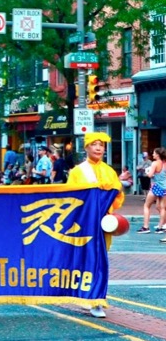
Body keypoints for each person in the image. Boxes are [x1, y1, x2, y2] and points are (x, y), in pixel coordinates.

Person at [67, 132, 124, 318]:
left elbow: (118, 196)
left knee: (100, 260)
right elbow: (69, 197)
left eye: (101, 145)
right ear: (87, 147)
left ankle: (96, 298)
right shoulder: (78, 171)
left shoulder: (110, 171)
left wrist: (109, 210)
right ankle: (91, 298)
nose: (98, 148)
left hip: (102, 224)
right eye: (94, 144)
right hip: (83, 225)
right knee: (85, 260)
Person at [137, 148, 166, 234]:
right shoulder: (165, 163)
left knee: (147, 205)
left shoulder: (154, 163)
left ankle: (146, 227)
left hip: (156, 186)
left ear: (157, 154)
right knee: (162, 207)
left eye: (154, 153)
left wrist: (147, 172)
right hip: (165, 187)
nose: (152, 154)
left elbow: (149, 175)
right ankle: (160, 227)